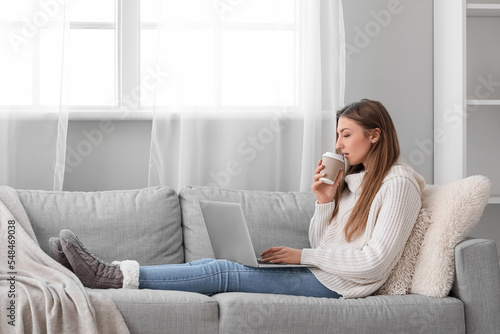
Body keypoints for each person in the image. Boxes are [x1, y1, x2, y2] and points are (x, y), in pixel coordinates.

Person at [50, 99, 424, 299]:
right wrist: (325, 199)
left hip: (341, 286)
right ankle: (82, 273)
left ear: (374, 135)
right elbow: (322, 243)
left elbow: (374, 263)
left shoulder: (398, 183)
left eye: (346, 135)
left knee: (221, 272)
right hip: (324, 275)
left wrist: (302, 258)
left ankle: (109, 275)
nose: (338, 145)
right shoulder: (356, 182)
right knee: (222, 265)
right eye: (337, 136)